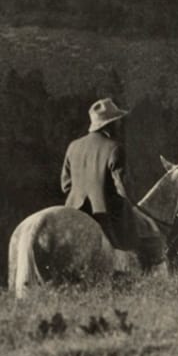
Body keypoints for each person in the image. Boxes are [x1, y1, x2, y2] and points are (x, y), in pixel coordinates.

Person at [62, 98, 139, 251]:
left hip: (72, 211)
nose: (119, 124)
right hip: (106, 217)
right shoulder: (115, 148)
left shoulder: (73, 146)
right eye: (117, 121)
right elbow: (123, 189)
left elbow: (66, 186)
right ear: (109, 124)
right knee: (137, 243)